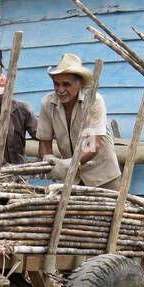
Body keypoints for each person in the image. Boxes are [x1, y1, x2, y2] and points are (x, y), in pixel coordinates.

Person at [35, 53, 122, 191]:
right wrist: (49, 162)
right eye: (56, 84)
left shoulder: (93, 100)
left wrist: (67, 165)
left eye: (66, 84)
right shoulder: (47, 103)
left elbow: (93, 145)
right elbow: (44, 141)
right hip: (72, 177)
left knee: (108, 211)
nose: (60, 90)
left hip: (102, 174)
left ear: (80, 84)